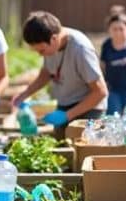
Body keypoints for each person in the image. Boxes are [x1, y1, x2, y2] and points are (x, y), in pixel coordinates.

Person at [10, 11, 107, 139]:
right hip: (65, 104)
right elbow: (46, 73)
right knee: (61, 148)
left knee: (80, 150)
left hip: (89, 109)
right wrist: (24, 95)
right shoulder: (50, 45)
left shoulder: (80, 50)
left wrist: (67, 115)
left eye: (42, 50)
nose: (40, 55)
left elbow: (100, 92)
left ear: (54, 38)